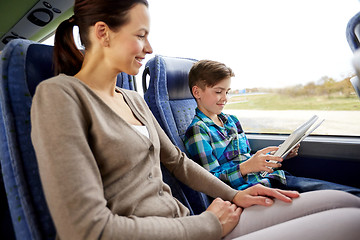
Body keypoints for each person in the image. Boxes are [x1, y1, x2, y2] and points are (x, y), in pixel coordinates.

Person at [30, 1, 360, 239]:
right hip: (188, 230)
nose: (149, 48)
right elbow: (85, 230)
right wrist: (207, 225)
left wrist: (234, 196)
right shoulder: (60, 95)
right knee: (351, 225)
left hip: (187, 226)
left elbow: (179, 162)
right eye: (141, 35)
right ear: (103, 33)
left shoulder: (132, 99)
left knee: (346, 203)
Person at [184, 59, 360, 197]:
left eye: (227, 91)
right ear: (197, 92)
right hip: (253, 190)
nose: (225, 98)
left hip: (273, 178)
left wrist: (275, 156)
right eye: (218, 91)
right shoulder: (199, 131)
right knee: (343, 199)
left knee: (346, 193)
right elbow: (210, 181)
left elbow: (244, 158)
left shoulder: (232, 121)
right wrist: (246, 167)